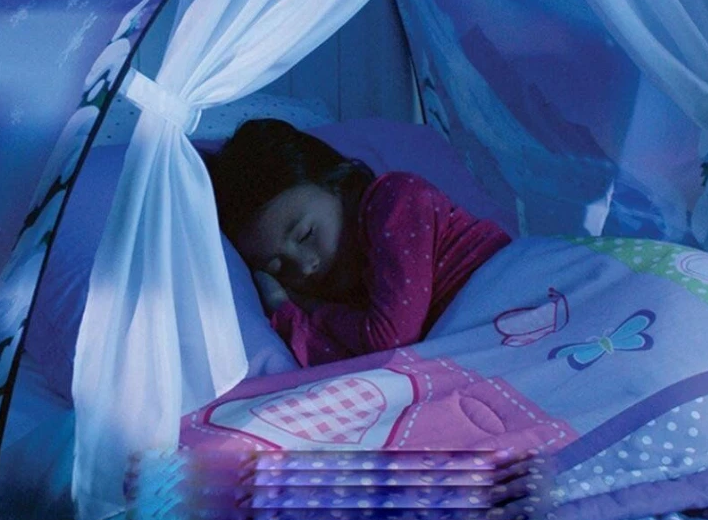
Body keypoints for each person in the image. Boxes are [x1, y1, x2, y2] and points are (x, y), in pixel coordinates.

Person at [206, 118, 512, 367]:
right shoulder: (351, 296)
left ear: (339, 185)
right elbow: (339, 364)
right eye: (279, 268)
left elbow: (387, 343)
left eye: (306, 235)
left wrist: (306, 307)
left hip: (516, 288)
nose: (306, 266)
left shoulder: (395, 201)